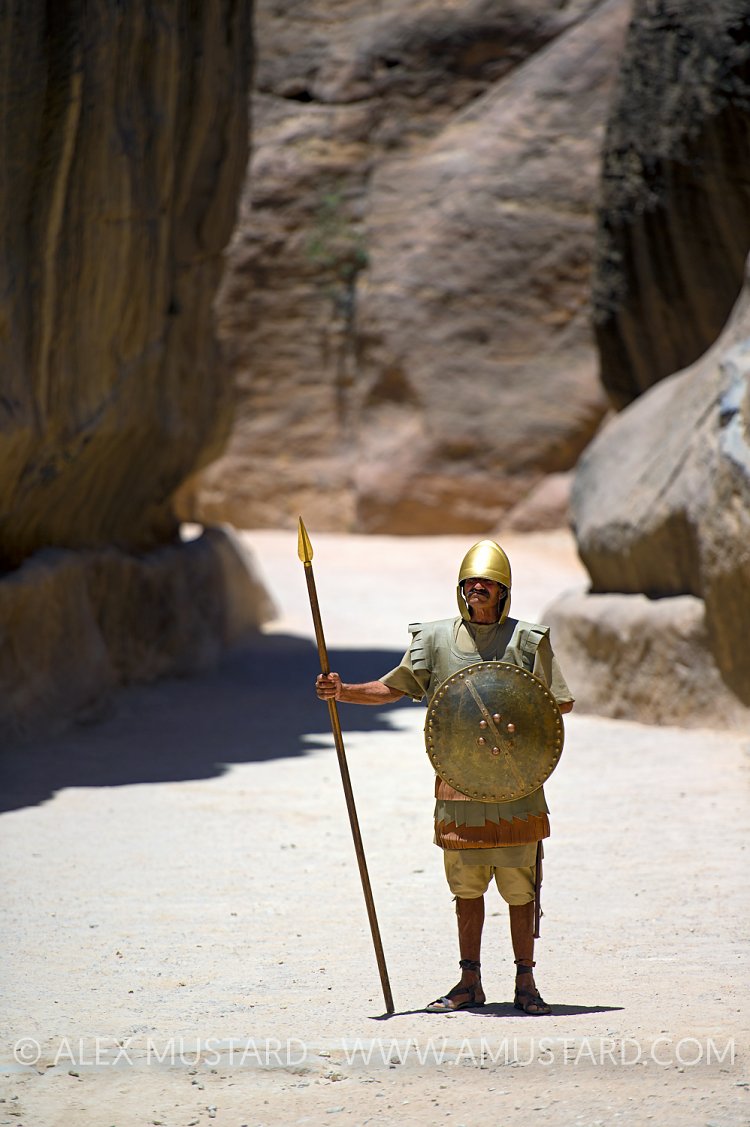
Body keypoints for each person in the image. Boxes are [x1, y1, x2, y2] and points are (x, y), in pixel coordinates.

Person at [315, 539, 574, 1014]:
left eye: (488, 583)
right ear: (460, 589)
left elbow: (555, 704)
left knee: (520, 887)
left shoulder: (527, 641)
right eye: (471, 582)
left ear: (503, 592)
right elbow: (393, 687)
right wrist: (344, 691)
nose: (478, 587)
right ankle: (468, 981)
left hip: (515, 786)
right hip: (457, 784)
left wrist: (510, 715)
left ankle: (526, 983)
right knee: (466, 886)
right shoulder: (433, 640)